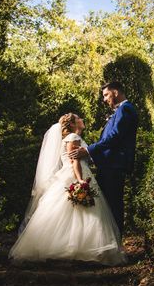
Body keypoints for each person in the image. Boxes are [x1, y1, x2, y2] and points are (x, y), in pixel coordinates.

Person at [9, 113, 125, 265]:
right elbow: (74, 161)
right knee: (80, 211)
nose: (82, 120)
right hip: (75, 174)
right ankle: (77, 249)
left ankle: (72, 247)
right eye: (79, 119)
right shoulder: (72, 138)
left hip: (73, 173)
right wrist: (80, 180)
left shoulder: (71, 138)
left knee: (75, 211)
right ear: (72, 124)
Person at [69, 82, 138, 236]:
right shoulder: (120, 110)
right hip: (109, 165)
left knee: (113, 206)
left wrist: (88, 150)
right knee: (106, 206)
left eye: (106, 95)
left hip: (114, 166)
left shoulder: (126, 109)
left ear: (115, 92)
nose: (105, 99)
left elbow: (114, 137)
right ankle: (107, 242)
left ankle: (115, 246)